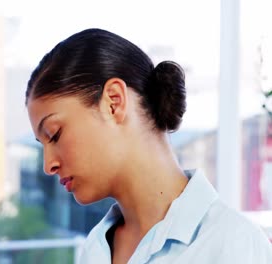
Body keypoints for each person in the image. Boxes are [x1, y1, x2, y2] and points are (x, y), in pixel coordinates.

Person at [25, 28, 272, 263]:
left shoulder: (235, 246)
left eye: (54, 135)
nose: (48, 165)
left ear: (114, 102)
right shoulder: (95, 249)